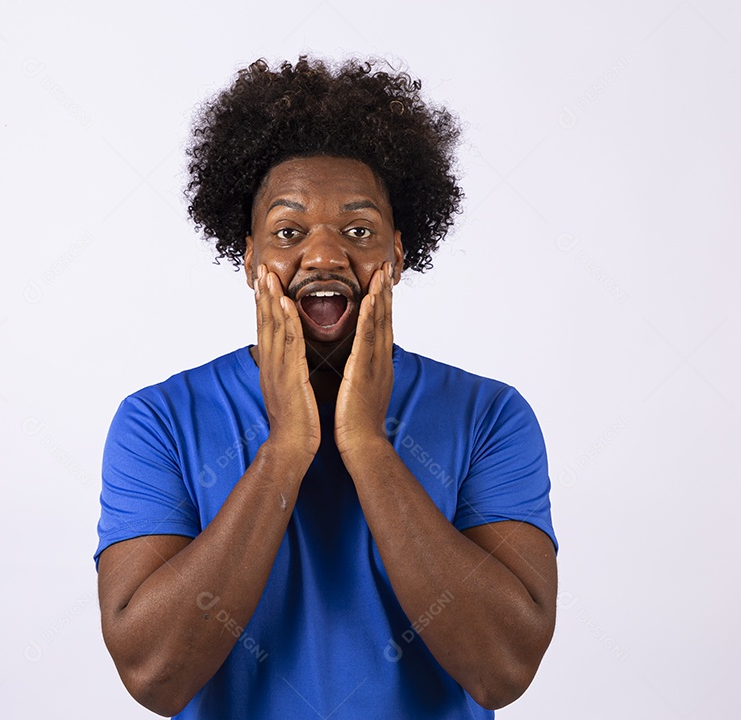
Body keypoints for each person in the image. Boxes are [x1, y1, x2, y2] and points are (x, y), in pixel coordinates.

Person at [94, 56, 558, 719]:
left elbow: (502, 671)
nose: (324, 255)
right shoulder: (158, 420)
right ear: (249, 255)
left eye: (359, 230)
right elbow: (155, 677)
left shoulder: (489, 416)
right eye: (289, 232)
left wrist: (367, 446)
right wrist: (287, 447)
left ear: (398, 252)